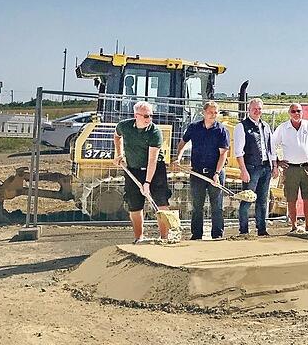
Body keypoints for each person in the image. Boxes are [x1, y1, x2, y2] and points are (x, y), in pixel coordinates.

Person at [113, 101, 173, 243]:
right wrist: (118, 154)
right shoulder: (124, 126)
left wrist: (147, 183)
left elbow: (152, 160)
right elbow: (116, 136)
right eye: (146, 116)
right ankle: (138, 238)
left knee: (161, 202)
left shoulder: (154, 132)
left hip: (155, 169)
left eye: (151, 116)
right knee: (134, 205)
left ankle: (165, 237)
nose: (149, 119)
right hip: (133, 169)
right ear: (136, 115)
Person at [175, 101, 230, 240]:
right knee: (197, 205)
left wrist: (217, 174)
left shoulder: (221, 130)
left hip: (215, 172)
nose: (213, 115)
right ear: (204, 112)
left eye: (216, 112)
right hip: (197, 172)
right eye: (211, 112)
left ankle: (217, 234)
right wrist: (178, 158)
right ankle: (196, 235)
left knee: (216, 206)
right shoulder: (194, 127)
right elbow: (182, 143)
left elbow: (223, 154)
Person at [272, 103, 308, 233]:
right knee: (291, 199)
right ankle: (293, 227)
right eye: (293, 111)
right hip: (290, 169)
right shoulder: (283, 128)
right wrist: (277, 161)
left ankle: (307, 227)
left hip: (306, 168)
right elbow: (271, 144)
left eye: (298, 111)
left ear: (302, 112)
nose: (296, 113)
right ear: (289, 113)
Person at [233, 98, 276, 236]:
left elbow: (271, 148)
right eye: (254, 109)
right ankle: (244, 230)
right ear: (249, 110)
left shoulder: (266, 126)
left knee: (263, 200)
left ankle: (262, 229)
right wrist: (243, 170)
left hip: (265, 167)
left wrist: (274, 166)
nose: (257, 111)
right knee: (247, 199)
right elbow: (238, 151)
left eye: (259, 109)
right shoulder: (241, 127)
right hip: (251, 168)